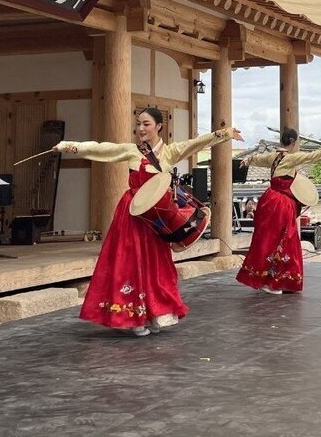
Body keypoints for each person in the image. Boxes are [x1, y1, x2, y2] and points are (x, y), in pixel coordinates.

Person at [53, 108, 241, 336]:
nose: (141, 128)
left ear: (159, 126)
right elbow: (102, 149)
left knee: (156, 264)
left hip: (156, 219)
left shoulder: (170, 152)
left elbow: (196, 143)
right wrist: (68, 146)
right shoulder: (132, 151)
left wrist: (225, 133)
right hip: (132, 214)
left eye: (146, 124)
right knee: (130, 262)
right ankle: (133, 318)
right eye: (138, 124)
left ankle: (155, 313)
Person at [236, 128, 321, 294]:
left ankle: (274, 280)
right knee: (284, 239)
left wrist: (247, 160)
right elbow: (315, 155)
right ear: (293, 142)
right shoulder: (291, 158)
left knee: (267, 239)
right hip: (282, 203)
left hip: (269, 200)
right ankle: (273, 282)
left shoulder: (272, 156)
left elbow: (255, 158)